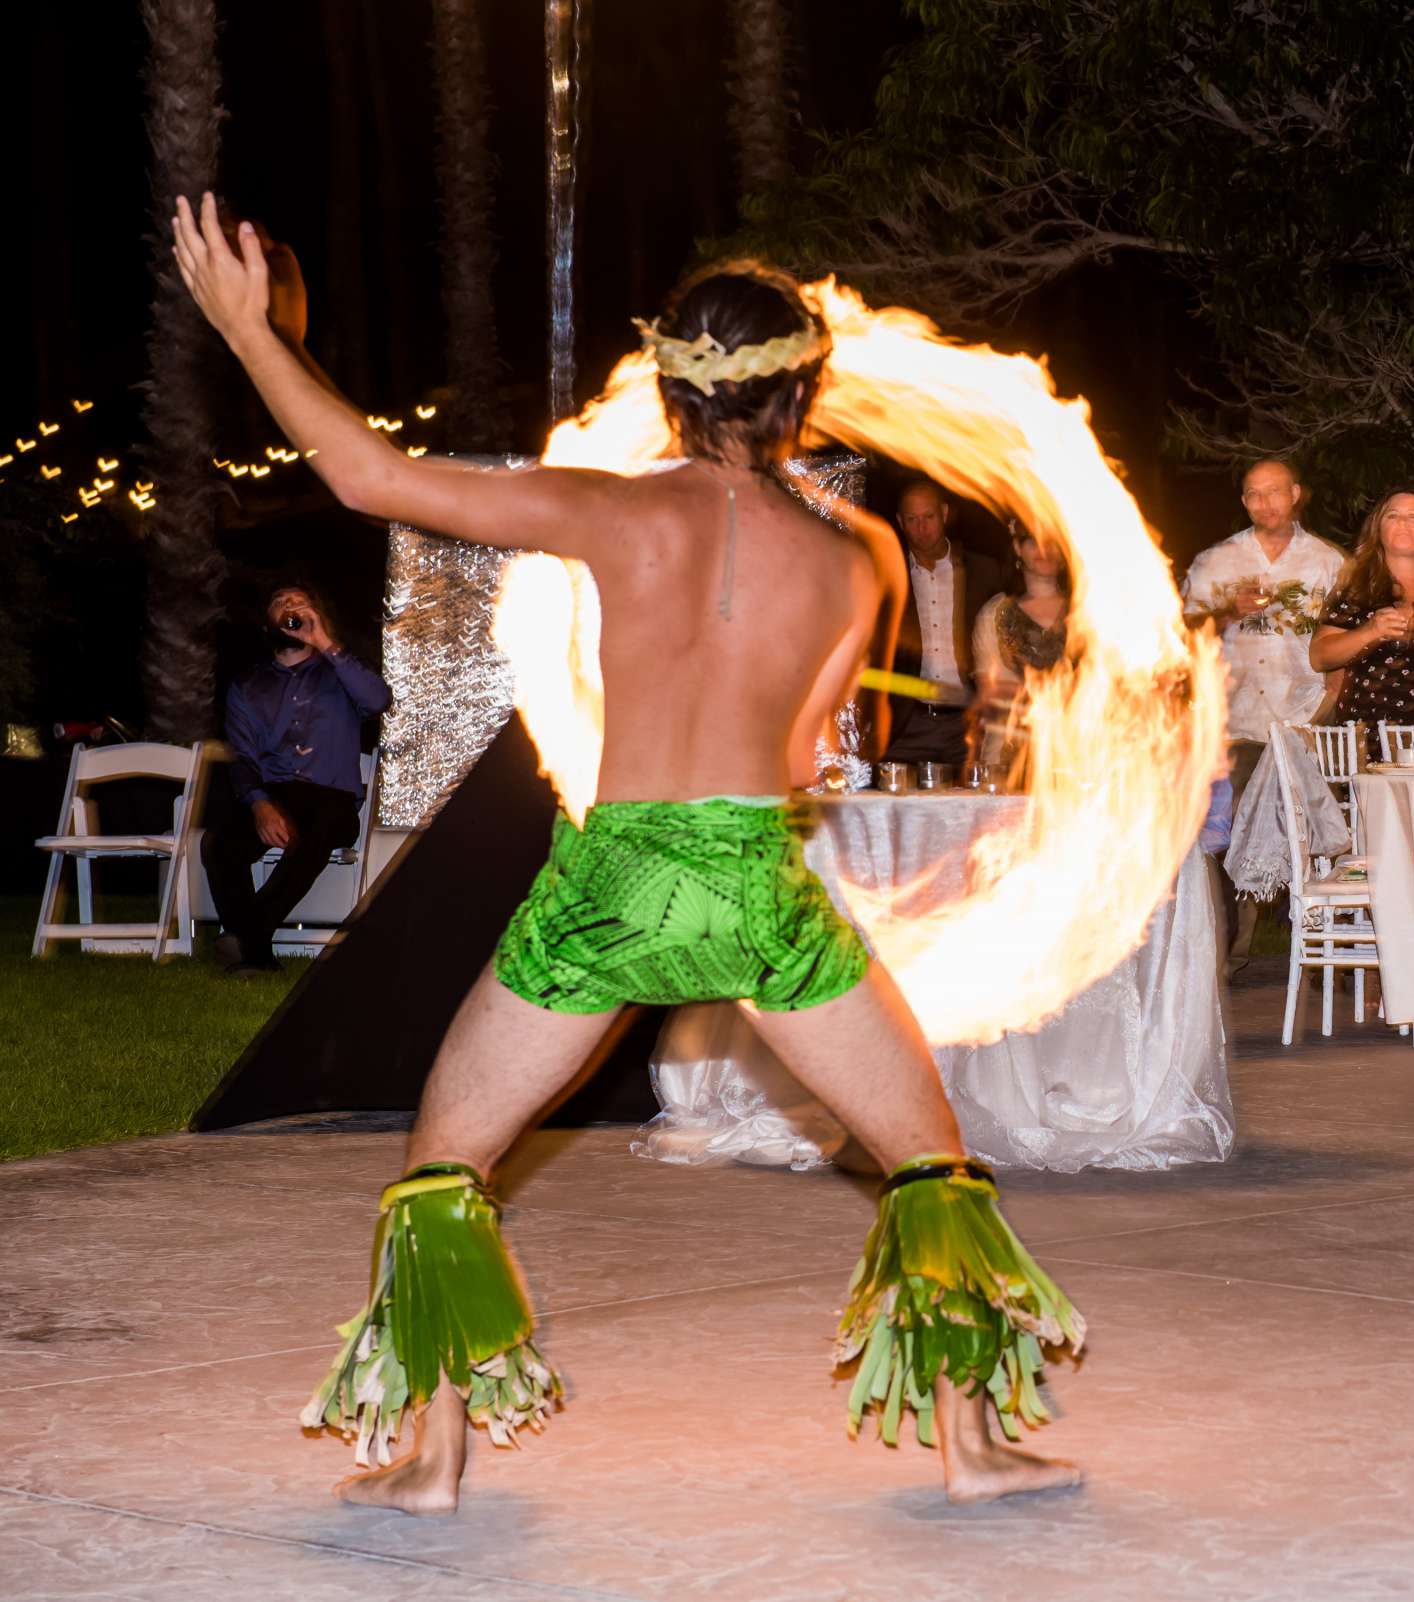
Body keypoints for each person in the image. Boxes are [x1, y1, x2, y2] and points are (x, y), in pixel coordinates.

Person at [172, 194, 1082, 1511]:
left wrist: (253, 336)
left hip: (612, 884)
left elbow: (370, 477)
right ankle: (976, 1448)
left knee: (443, 1163)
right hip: (754, 882)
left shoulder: (606, 511)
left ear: (669, 384)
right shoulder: (865, 555)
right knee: (927, 1157)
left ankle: (430, 1457)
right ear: (802, 397)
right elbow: (807, 756)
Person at [201, 582, 391, 975]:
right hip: (276, 794)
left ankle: (246, 937)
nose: (290, 606)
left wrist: (324, 641)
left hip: (331, 799)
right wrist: (259, 804)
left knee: (318, 827)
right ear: (268, 622)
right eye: (280, 602)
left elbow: (378, 701)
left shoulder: (338, 671)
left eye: (300, 603)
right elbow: (242, 756)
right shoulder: (248, 685)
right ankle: (258, 956)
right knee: (219, 844)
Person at [1179, 457, 1347, 798]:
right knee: (1235, 833)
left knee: (1302, 831)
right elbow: (1181, 632)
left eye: (1274, 492)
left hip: (1303, 715)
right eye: (1254, 494)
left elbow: (1344, 636)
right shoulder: (1215, 560)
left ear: (1295, 494)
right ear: (1243, 501)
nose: (1264, 503)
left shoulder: (1329, 562)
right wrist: (1228, 612)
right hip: (1235, 721)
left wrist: (1330, 701)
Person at [1311, 490, 1414, 755]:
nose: (1403, 522)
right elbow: (1320, 657)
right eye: (1393, 515)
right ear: (1378, 529)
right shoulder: (1356, 586)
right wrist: (1370, 631)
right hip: (1367, 733)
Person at [883, 478, 1003, 767]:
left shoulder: (983, 572)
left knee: (971, 811)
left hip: (967, 723)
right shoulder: (889, 573)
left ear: (945, 514)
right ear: (900, 521)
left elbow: (1002, 641)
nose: (921, 528)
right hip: (906, 725)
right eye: (912, 519)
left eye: (929, 517)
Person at [969, 521, 1072, 778]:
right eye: (1034, 540)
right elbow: (992, 693)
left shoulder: (1086, 611)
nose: (1044, 550)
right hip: (1010, 753)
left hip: (1077, 752)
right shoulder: (995, 613)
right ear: (1017, 547)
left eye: (1052, 541)